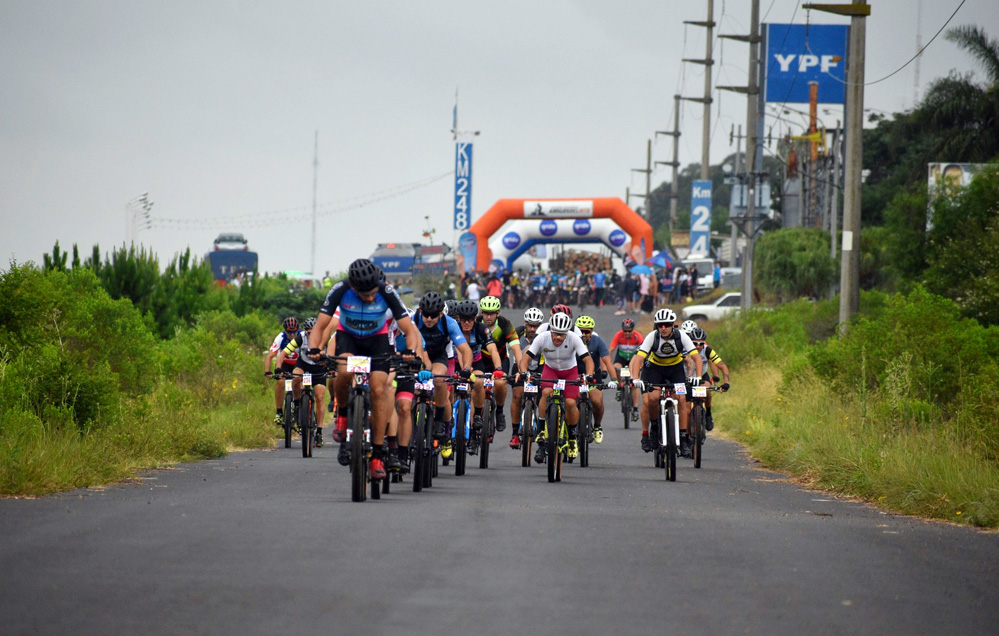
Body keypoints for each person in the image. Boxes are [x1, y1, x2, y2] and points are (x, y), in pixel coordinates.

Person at [310, 259, 422, 481]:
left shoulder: (386, 291)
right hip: (349, 339)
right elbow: (320, 325)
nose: (370, 298)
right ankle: (343, 415)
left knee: (380, 390)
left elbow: (409, 329)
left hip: (377, 342)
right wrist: (315, 348)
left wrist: (411, 351)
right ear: (353, 287)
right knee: (343, 372)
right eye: (365, 294)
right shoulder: (340, 289)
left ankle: (378, 455)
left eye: (373, 293)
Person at [519, 311, 594, 462]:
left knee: (571, 403)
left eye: (562, 334)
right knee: (546, 392)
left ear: (567, 333)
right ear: (550, 330)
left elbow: (588, 360)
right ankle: (542, 430)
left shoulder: (574, 338)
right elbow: (525, 359)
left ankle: (572, 437)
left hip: (570, 372)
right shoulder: (542, 338)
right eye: (555, 333)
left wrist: (588, 376)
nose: (558, 337)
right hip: (550, 370)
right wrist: (524, 373)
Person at [629, 308, 702, 458]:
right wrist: (635, 378)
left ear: (673, 325)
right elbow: (638, 358)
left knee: (681, 399)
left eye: (667, 324)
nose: (663, 328)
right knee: (653, 398)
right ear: (656, 326)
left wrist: (699, 377)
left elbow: (697, 358)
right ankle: (655, 427)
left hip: (675, 370)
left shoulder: (681, 336)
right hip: (656, 370)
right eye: (660, 325)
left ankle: (683, 438)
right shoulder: (652, 337)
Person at [411, 291, 473, 445]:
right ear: (420, 311)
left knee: (439, 381)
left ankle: (440, 420)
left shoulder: (449, 323)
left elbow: (465, 350)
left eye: (433, 315)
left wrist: (466, 368)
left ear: (440, 314)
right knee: (412, 388)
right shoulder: (413, 320)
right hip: (417, 355)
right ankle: (412, 424)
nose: (429, 319)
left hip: (439, 356)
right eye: (426, 315)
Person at [452, 300, 504, 456]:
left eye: (470, 319)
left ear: (475, 318)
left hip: (476, 363)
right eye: (463, 319)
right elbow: (459, 352)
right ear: (459, 318)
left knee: (479, 382)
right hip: (456, 363)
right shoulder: (454, 328)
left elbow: (493, 350)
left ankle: (476, 416)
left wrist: (498, 369)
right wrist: (464, 371)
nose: (467, 323)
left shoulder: (481, 329)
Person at [275, 317, 330, 447]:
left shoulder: (324, 338)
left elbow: (333, 353)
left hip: (319, 367)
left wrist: (333, 368)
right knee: (296, 377)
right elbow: (282, 354)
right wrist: (278, 368)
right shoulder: (300, 338)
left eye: (313, 332)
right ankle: (296, 403)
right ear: (305, 331)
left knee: (320, 396)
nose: (311, 335)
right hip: (303, 365)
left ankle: (319, 432)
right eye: (308, 332)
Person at [478, 295, 522, 434]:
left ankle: (500, 411)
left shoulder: (505, 324)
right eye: (485, 313)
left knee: (500, 383)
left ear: (498, 313)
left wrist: (521, 370)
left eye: (491, 313)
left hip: (501, 360)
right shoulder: (476, 323)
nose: (488, 316)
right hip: (481, 360)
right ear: (481, 313)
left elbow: (516, 349)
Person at [509, 307, 544, 449]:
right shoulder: (517, 333)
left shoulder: (544, 335)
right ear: (525, 324)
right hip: (519, 366)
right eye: (530, 326)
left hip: (540, 367)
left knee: (543, 397)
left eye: (536, 326)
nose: (533, 329)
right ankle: (515, 433)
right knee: (517, 395)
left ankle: (543, 430)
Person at [575, 315, 614, 444]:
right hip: (574, 374)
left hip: (593, 375)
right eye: (581, 331)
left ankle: (597, 426)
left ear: (592, 331)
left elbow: (607, 361)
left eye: (587, 331)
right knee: (571, 400)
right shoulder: (571, 340)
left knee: (597, 401)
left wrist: (614, 379)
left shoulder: (598, 341)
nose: (583, 334)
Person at [688, 327, 730, 431]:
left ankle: (708, 413)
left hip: (702, 375)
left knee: (707, 391)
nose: (698, 346)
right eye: (695, 343)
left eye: (701, 344)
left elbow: (723, 366)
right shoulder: (685, 349)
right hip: (687, 377)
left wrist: (726, 383)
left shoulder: (707, 350)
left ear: (704, 343)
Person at [263, 317, 303, 425]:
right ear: (285, 330)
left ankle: (301, 410)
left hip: (298, 364)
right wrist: (267, 371)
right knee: (280, 382)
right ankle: (279, 412)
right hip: (285, 364)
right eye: (289, 332)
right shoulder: (280, 337)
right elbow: (270, 356)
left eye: (294, 332)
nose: (292, 335)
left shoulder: (302, 336)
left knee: (301, 385)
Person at [609, 318, 644, 422]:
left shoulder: (638, 336)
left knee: (635, 382)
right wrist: (608, 362)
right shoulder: (618, 335)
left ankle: (635, 409)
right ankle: (619, 387)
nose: (627, 333)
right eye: (625, 331)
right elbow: (611, 350)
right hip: (621, 358)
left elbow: (644, 351)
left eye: (629, 331)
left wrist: (641, 364)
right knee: (616, 368)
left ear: (633, 330)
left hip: (633, 359)